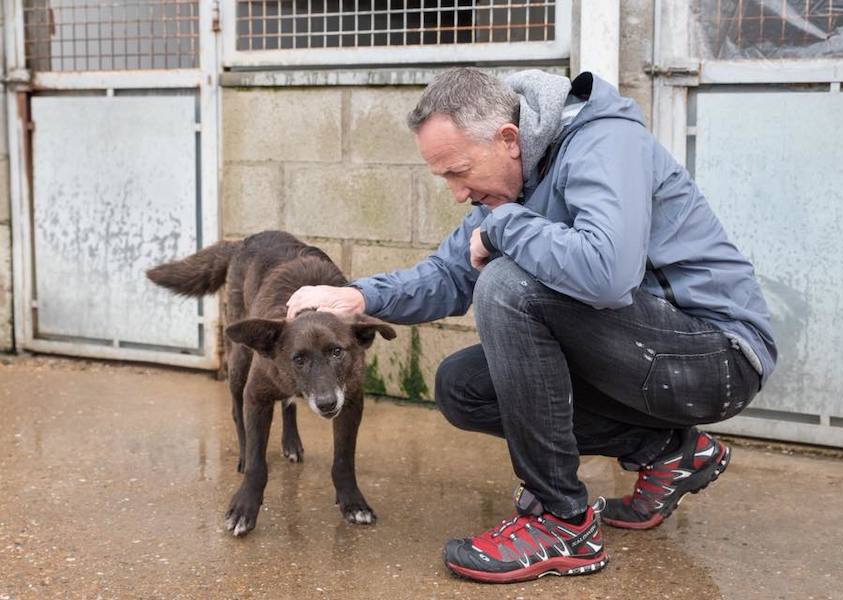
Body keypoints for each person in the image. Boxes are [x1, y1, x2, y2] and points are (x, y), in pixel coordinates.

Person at [286, 68, 776, 584]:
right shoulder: (510, 186)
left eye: (459, 172)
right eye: (445, 178)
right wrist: (359, 297)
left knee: (506, 284)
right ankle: (668, 452)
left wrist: (502, 228)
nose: (457, 193)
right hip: (639, 355)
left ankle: (560, 520)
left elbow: (608, 274)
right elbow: (451, 273)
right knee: (463, 387)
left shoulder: (605, 142)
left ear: (508, 139)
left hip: (716, 357)